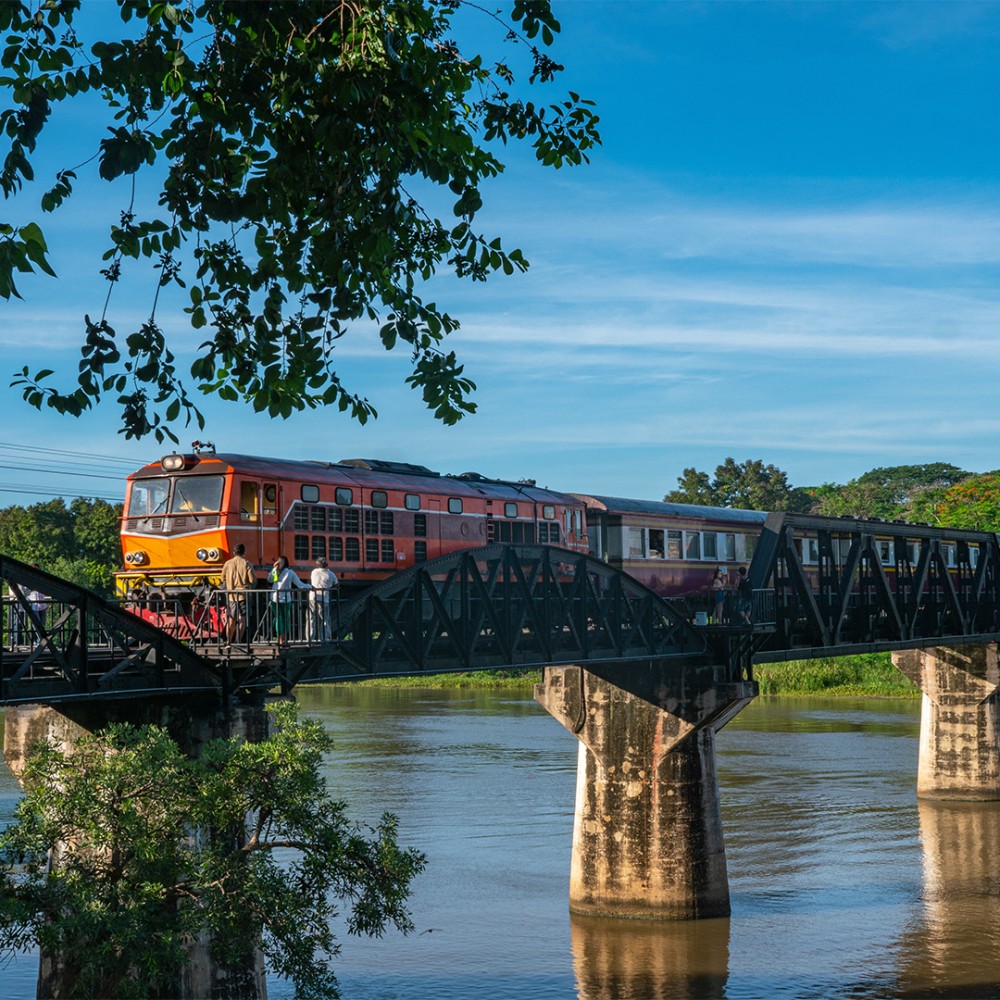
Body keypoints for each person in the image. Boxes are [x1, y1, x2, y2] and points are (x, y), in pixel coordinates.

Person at [220, 543, 256, 642]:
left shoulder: (227, 564)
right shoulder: (247, 563)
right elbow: (252, 580)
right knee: (242, 619)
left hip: (231, 596)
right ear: (244, 552)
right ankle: (238, 641)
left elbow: (222, 578)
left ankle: (228, 641)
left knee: (231, 619)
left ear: (233, 552)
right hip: (244, 595)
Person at [270, 555, 308, 646]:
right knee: (286, 619)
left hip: (275, 598)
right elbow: (300, 585)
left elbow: (270, 579)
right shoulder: (290, 573)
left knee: (279, 619)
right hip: (286, 600)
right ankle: (284, 639)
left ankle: (280, 639)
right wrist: (310, 587)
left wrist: (274, 569)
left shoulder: (276, 572)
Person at [309, 557, 339, 642]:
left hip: (312, 597)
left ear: (317, 565)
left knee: (312, 619)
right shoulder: (331, 574)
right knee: (324, 619)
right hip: (324, 598)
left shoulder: (314, 572)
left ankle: (311, 638)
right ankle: (325, 638)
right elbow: (336, 584)